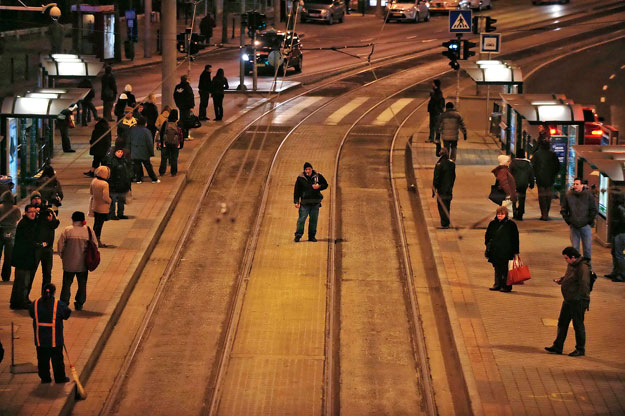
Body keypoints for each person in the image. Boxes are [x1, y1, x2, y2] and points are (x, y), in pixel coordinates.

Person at [545, 247, 591, 357]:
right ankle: (558, 346)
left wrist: (581, 299)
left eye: (566, 258)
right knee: (562, 322)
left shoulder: (582, 268)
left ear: (573, 257)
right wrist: (563, 280)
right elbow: (570, 277)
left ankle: (580, 349)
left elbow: (584, 285)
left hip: (577, 301)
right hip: (568, 299)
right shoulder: (572, 265)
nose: (565, 260)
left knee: (578, 325)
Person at [29, 283, 71, 383]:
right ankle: (60, 378)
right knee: (57, 360)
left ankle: (45, 378)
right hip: (55, 338)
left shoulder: (35, 304)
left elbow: (32, 314)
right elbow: (67, 313)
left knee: (42, 360)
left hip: (40, 339)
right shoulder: (58, 304)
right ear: (53, 292)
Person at [58, 212, 91, 310]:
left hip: (69, 263)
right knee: (82, 284)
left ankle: (64, 302)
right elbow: (95, 245)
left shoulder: (67, 230)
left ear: (72, 219)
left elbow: (60, 245)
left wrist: (63, 256)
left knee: (67, 283)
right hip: (83, 263)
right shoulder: (88, 231)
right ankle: (79, 302)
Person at [484, 206, 519, 293]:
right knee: (497, 267)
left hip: (506, 251)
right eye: (498, 214)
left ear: (506, 214)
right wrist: (488, 244)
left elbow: (515, 239)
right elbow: (487, 235)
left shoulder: (511, 225)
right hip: (495, 250)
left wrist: (515, 251)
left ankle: (506, 286)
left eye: (502, 214)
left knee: (505, 269)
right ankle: (497, 284)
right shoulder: (493, 223)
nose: (500, 215)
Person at [560, 178, 597, 262]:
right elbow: (564, 209)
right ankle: (575, 269)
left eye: (577, 184)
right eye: (574, 184)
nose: (575, 186)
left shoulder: (588, 195)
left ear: (582, 185)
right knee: (575, 250)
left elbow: (593, 209)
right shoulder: (569, 195)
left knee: (587, 249)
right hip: (574, 225)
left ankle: (587, 269)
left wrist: (589, 221)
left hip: (585, 225)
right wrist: (568, 221)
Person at [10, 205, 39, 309]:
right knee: (23, 281)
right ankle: (20, 301)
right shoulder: (25, 224)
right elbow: (28, 241)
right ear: (26, 213)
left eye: (34, 212)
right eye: (30, 212)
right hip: (23, 258)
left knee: (21, 281)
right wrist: (38, 244)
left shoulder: (30, 223)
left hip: (25, 258)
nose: (33, 214)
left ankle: (18, 300)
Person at [27, 207, 59, 299]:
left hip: (47, 249)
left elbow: (56, 223)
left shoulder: (50, 219)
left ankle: (46, 296)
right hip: (37, 249)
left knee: (47, 274)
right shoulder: (35, 218)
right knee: (32, 273)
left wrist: (51, 218)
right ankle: (26, 295)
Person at [293, 162, 328, 242]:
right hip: (305, 203)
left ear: (312, 169)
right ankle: (298, 235)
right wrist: (296, 201)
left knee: (313, 220)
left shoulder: (318, 176)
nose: (307, 171)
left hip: (315, 203)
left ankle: (312, 236)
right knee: (301, 220)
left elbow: (325, 184)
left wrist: (319, 186)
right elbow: (297, 191)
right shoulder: (300, 178)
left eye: (309, 169)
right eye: (306, 169)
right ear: (304, 170)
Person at [531, 139, 560, 220]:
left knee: (542, 196)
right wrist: (553, 174)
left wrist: (535, 175)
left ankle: (543, 213)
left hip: (540, 179)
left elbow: (532, 165)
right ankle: (546, 212)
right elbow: (557, 166)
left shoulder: (537, 154)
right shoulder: (552, 154)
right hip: (550, 179)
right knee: (548, 196)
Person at [105, 146, 133, 220]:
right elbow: (110, 175)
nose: (120, 153)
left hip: (122, 185)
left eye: (121, 152)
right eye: (118, 152)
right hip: (114, 185)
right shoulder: (111, 162)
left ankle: (120, 214)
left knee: (121, 200)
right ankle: (112, 214)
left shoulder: (124, 161)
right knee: (113, 200)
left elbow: (127, 173)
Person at [130, 116, 160, 183]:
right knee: (148, 165)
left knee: (137, 165)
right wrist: (151, 152)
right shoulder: (146, 131)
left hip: (135, 151)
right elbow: (149, 143)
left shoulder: (132, 130)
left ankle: (138, 179)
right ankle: (154, 179)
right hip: (144, 151)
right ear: (145, 123)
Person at [432, 147, 455, 228]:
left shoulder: (439, 165)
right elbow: (453, 177)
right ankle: (446, 222)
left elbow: (436, 178)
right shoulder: (452, 164)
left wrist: (434, 190)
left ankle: (444, 223)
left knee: (442, 206)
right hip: (449, 189)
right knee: (447, 205)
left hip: (441, 189)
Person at [0, 192, 21, 282]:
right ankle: (6, 276)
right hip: (11, 232)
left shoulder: (0, 207)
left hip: (0, 231)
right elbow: (18, 217)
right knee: (8, 256)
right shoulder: (15, 209)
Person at [90, 166, 112, 248]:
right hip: (103, 207)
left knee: (96, 224)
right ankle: (97, 241)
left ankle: (93, 240)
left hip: (95, 205)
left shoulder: (94, 181)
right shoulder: (105, 184)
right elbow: (105, 197)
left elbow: (91, 192)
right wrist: (110, 201)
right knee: (100, 225)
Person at [510, 149, 534, 220]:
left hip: (514, 184)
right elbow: (531, 174)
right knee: (522, 198)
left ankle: (514, 212)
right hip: (524, 184)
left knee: (514, 198)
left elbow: (509, 174)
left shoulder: (513, 163)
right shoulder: (528, 164)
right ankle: (520, 213)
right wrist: (531, 184)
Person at [606, 192, 625, 282]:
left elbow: (620, 222)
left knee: (618, 254)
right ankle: (616, 272)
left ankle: (622, 274)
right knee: (614, 253)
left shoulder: (620, 208)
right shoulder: (617, 207)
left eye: (611, 197)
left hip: (620, 233)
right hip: (617, 233)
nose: (610, 198)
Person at [158, 110, 183, 177]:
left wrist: (161, 142)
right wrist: (181, 145)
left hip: (165, 143)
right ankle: (173, 172)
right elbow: (181, 135)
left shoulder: (165, 123)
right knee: (174, 158)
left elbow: (161, 133)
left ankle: (162, 172)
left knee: (164, 158)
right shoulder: (178, 124)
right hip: (175, 144)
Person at [427, 79, 445, 149]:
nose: (432, 84)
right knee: (431, 125)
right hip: (432, 111)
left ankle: (437, 139)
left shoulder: (439, 92)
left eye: (433, 83)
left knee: (436, 126)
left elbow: (437, 100)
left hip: (436, 111)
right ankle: (431, 138)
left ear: (435, 84)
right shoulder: (435, 91)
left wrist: (432, 95)